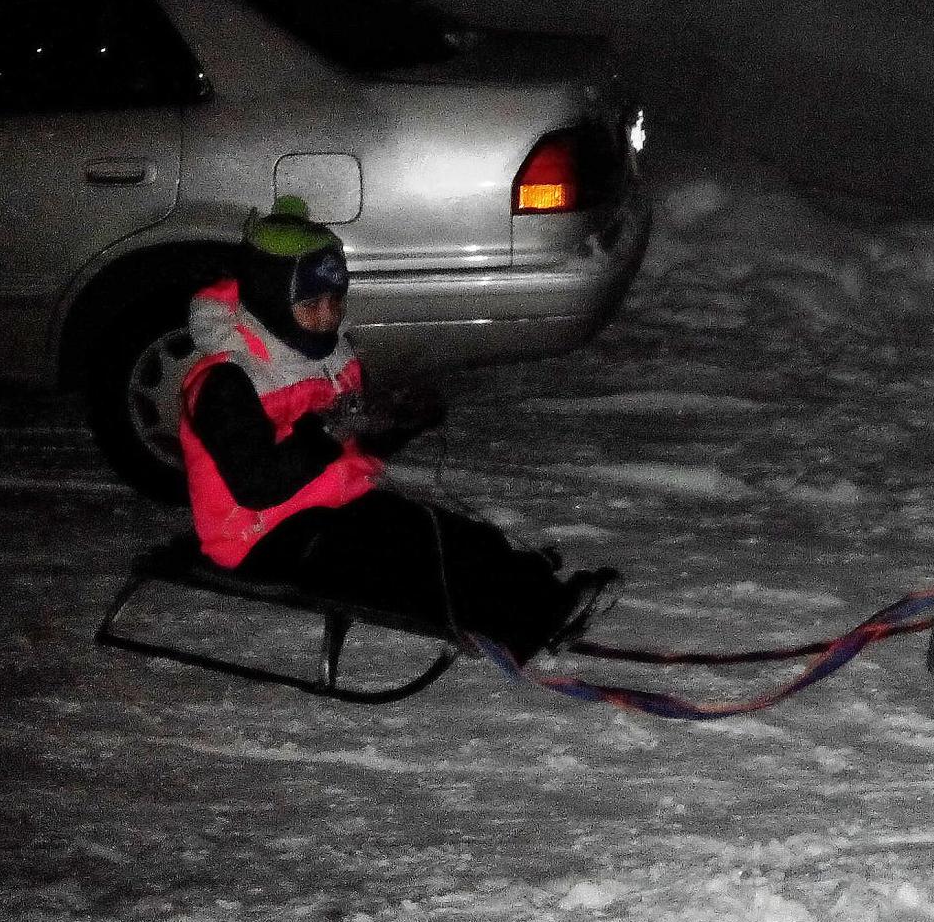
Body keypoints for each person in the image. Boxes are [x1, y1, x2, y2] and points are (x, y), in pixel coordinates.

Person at [178, 197, 620, 663]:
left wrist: (400, 422)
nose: (327, 317)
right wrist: (326, 430)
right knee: (409, 555)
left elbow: (353, 447)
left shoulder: (325, 356)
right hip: (261, 538)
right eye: (311, 306)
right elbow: (256, 484)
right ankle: (523, 622)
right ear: (271, 300)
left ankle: (538, 594)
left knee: (458, 535)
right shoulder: (227, 380)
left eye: (335, 302)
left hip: (331, 505)